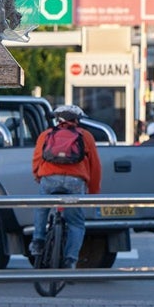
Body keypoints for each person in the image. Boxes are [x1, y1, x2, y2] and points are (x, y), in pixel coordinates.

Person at [30, 104, 101, 268]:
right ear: (77, 120)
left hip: (49, 178)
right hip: (75, 181)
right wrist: (94, 191)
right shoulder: (85, 136)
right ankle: (70, 260)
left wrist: (38, 176)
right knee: (75, 223)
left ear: (58, 120)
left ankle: (38, 241)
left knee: (41, 208)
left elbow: (37, 159)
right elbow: (95, 166)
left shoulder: (46, 135)